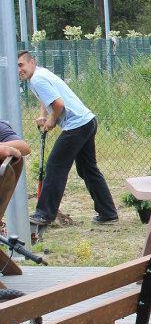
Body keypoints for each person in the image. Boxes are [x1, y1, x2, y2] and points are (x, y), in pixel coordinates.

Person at [17, 50, 118, 226]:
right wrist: (44, 115)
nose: (19, 70)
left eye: (21, 65)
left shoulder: (37, 79)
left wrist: (52, 120)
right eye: (17, 67)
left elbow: (58, 104)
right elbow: (47, 99)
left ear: (31, 62)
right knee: (87, 169)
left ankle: (44, 214)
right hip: (87, 121)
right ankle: (108, 213)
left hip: (77, 125)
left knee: (55, 166)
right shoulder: (41, 74)